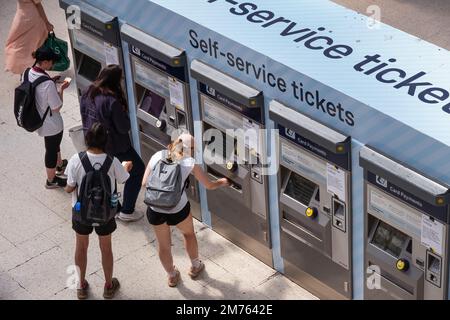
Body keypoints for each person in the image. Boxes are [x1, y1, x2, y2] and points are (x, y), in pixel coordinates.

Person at [142, 134, 229, 287]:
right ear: (191, 149)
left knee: (163, 246)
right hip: (178, 209)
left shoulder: (157, 155)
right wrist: (222, 182)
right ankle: (195, 266)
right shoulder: (189, 162)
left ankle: (172, 275)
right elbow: (209, 185)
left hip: (155, 209)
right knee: (188, 235)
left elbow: (144, 183)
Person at [65, 122, 133, 300]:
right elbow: (123, 178)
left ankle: (80, 285)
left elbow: (69, 188)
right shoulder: (112, 161)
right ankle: (109, 286)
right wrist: (125, 167)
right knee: (106, 248)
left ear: (87, 140)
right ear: (105, 141)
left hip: (81, 213)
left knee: (81, 247)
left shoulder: (76, 160)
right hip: (106, 214)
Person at [80, 65, 145, 222]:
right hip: (115, 145)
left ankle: (115, 207)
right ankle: (127, 211)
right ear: (115, 81)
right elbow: (123, 128)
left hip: (94, 141)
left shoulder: (88, 91)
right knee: (137, 170)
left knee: (108, 174)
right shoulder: (111, 101)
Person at [27, 46, 70, 189]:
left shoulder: (29, 72)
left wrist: (50, 81)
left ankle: (59, 165)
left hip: (38, 117)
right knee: (51, 150)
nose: (52, 65)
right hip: (51, 123)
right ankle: (51, 180)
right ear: (44, 62)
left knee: (53, 144)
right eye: (51, 62)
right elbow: (56, 107)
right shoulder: (47, 84)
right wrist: (60, 89)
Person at [5, 0, 54, 75]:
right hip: (33, 20)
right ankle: (33, 73)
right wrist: (47, 23)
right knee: (36, 46)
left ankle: (23, 71)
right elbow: (38, 5)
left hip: (21, 18)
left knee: (19, 45)